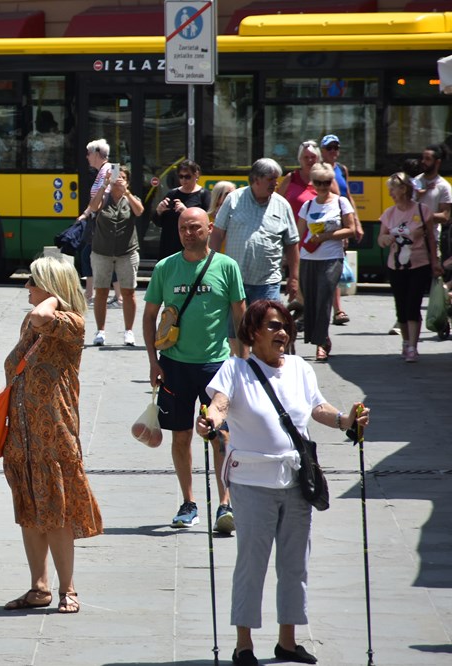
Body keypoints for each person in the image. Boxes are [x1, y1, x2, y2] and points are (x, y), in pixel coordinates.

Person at [197, 299, 371, 666]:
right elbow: (220, 405)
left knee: (295, 564)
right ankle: (244, 644)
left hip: (296, 481)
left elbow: (317, 408)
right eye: (274, 326)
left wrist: (347, 420)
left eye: (286, 326)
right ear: (253, 332)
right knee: (252, 563)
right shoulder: (235, 369)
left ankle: (287, 642)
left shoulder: (300, 368)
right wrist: (210, 421)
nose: (282, 332)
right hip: (252, 483)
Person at [1, 256, 102, 615]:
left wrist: (54, 298)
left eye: (33, 281)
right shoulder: (31, 324)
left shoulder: (70, 323)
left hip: (54, 436)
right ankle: (39, 587)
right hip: (23, 436)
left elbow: (43, 316)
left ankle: (67, 589)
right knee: (30, 512)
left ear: (51, 287)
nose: (26, 286)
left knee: (57, 513)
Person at [143, 208, 246, 531]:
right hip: (174, 365)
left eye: (195, 228)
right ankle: (188, 503)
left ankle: (225, 504)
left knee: (221, 435)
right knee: (181, 435)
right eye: (183, 228)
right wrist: (153, 361)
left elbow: (240, 316)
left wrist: (243, 363)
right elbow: (149, 315)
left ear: (209, 228)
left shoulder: (226, 267)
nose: (188, 233)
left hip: (216, 366)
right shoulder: (165, 267)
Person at [211, 158, 300, 305]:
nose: (276, 183)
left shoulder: (282, 205)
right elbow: (217, 234)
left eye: (276, 179)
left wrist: (294, 278)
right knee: (235, 321)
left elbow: (292, 243)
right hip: (235, 281)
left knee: (267, 320)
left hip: (268, 284)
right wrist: (211, 268)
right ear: (256, 179)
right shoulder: (233, 199)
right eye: (271, 179)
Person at [378, 172, 442, 362]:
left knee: (413, 305)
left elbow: (431, 239)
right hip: (395, 267)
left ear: (403, 189)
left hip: (419, 265)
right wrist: (385, 239)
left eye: (392, 189)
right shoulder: (389, 214)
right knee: (401, 308)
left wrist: (435, 262)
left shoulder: (422, 211)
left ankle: (413, 347)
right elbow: (380, 239)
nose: (390, 193)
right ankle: (406, 342)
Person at [295, 163, 356, 362]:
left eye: (327, 182)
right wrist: (291, 261)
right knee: (311, 301)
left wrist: (326, 236)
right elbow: (298, 235)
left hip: (331, 257)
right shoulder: (307, 205)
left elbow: (351, 229)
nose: (322, 186)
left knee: (324, 299)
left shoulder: (340, 202)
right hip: (308, 257)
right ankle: (321, 338)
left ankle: (321, 343)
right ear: (312, 183)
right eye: (318, 182)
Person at [88, 164, 143, 347]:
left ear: (128, 182)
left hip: (127, 252)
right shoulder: (104, 197)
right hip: (102, 252)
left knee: (128, 292)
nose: (119, 181)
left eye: (123, 178)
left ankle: (129, 331)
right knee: (101, 291)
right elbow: (93, 207)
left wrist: (126, 192)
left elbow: (139, 211)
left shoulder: (131, 198)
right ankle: (100, 331)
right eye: (116, 178)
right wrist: (104, 185)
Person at [319, 134, 362, 326]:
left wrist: (356, 223)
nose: (333, 151)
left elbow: (348, 197)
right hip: (324, 223)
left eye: (336, 147)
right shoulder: (318, 170)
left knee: (334, 267)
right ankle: (322, 309)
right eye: (329, 148)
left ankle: (337, 310)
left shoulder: (342, 169)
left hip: (341, 223)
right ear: (322, 150)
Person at [76, 139, 114, 303]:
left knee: (92, 255)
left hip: (104, 221)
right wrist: (86, 214)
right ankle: (91, 293)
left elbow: (104, 198)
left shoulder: (109, 170)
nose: (87, 157)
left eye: (88, 153)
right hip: (98, 220)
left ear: (97, 154)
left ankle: (97, 294)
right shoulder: (102, 171)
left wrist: (90, 212)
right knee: (89, 254)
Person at [153, 160, 212, 259]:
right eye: (181, 176)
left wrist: (185, 211)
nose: (184, 180)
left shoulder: (204, 194)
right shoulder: (172, 194)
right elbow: (159, 223)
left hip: (191, 244)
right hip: (169, 244)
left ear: (196, 175)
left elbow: (206, 221)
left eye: (187, 177)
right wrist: (159, 211)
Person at [276, 140, 333, 222]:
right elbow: (276, 202)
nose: (310, 160)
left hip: (318, 229)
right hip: (293, 228)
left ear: (318, 158)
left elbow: (336, 203)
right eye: (306, 157)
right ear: (300, 159)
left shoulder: (326, 178)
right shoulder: (291, 178)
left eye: (313, 157)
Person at [415, 143, 452, 265]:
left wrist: (419, 216)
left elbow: (445, 216)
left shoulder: (444, 187)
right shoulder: (414, 182)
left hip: (431, 241)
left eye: (427, 159)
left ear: (437, 162)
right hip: (411, 240)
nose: (423, 162)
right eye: (423, 158)